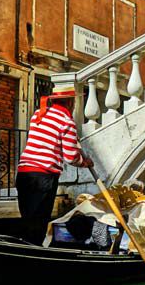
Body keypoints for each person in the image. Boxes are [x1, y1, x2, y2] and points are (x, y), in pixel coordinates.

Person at [16, 85, 93, 243]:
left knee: (28, 220)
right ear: (71, 102)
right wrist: (85, 162)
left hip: (24, 173)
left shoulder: (38, 114)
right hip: (44, 176)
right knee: (38, 223)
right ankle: (33, 257)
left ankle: (27, 254)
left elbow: (46, 139)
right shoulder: (66, 121)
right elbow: (71, 157)